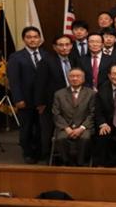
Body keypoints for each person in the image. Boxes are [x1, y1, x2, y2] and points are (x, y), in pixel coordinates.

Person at [34, 34, 81, 163]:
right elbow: (40, 83)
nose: (64, 47)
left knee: (70, 128)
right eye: (61, 45)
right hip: (51, 102)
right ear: (55, 47)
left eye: (67, 45)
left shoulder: (75, 59)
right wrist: (40, 103)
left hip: (74, 100)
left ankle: (72, 155)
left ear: (71, 46)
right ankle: (48, 155)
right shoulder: (46, 61)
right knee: (48, 130)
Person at [8, 26, 46, 163]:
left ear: (40, 39)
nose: (32, 40)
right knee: (27, 128)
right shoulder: (16, 57)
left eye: (35, 37)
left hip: (42, 100)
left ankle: (39, 152)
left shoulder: (46, 55)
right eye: (29, 37)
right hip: (25, 99)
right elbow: (14, 80)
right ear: (24, 39)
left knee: (41, 127)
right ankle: (28, 153)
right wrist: (18, 98)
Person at [52, 67, 95, 166]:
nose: (75, 78)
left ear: (83, 79)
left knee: (85, 138)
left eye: (78, 76)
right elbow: (56, 114)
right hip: (65, 127)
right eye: (72, 76)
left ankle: (81, 163)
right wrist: (66, 128)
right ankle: (67, 163)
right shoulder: (59, 94)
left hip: (84, 127)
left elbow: (92, 113)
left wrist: (81, 128)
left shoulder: (91, 94)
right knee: (61, 138)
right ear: (68, 78)